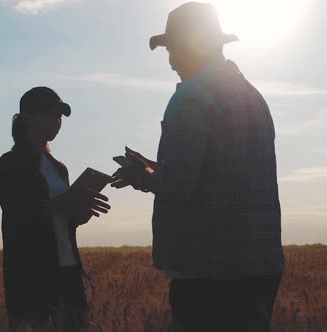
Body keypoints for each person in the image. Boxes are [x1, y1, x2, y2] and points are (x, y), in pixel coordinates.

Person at [111, 3, 285, 331]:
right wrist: (156, 166)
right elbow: (219, 166)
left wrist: (141, 176)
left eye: (173, 48)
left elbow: (178, 183)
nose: (171, 60)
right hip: (261, 261)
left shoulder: (192, 96)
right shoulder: (252, 96)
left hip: (209, 268)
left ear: (192, 45)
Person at [0, 86, 111, 331]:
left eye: (59, 117)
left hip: (68, 269)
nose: (56, 122)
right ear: (26, 117)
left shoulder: (59, 168)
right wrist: (66, 202)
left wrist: (81, 211)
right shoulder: (9, 163)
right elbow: (19, 214)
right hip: (30, 274)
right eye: (48, 115)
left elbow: (64, 218)